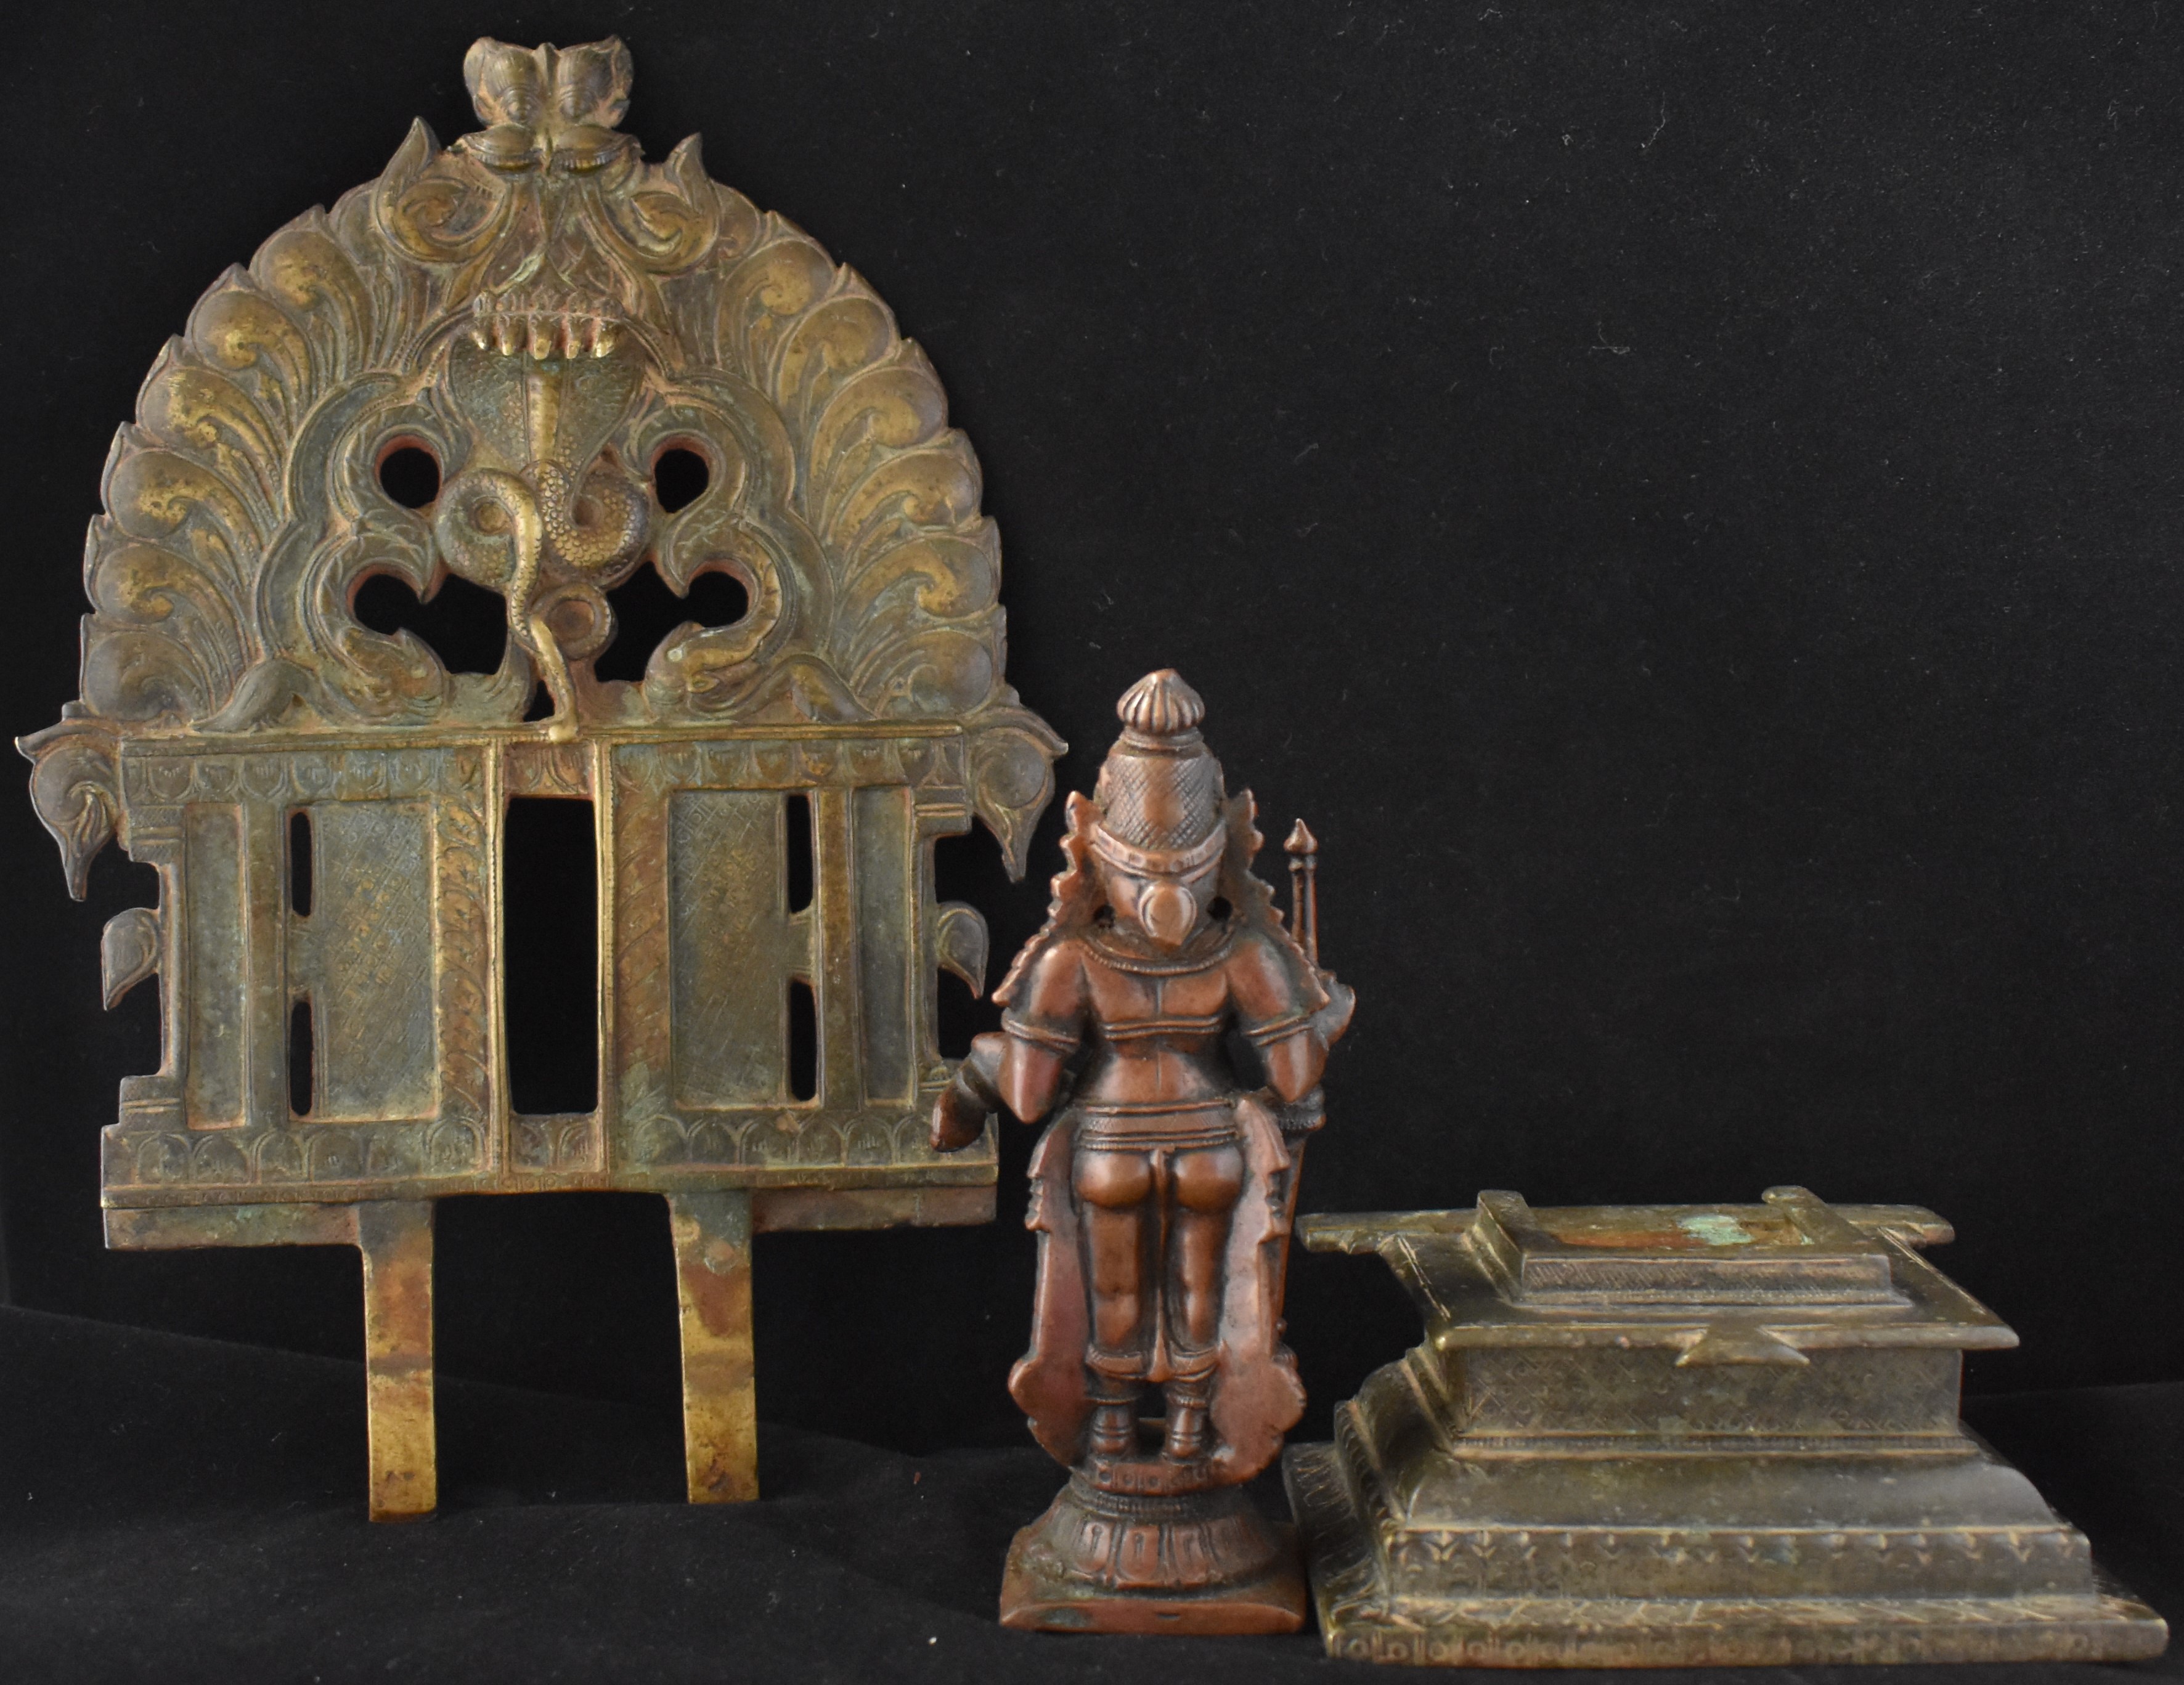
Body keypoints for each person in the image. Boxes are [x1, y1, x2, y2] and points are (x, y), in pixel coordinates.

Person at [932, 670, 1353, 1483]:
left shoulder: (1071, 960)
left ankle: (1115, 1439)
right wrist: (1316, 1013)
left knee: (1114, 1302)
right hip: (1211, 1148)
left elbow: (1028, 1096)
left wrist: (978, 1076)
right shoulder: (1245, 954)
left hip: (1111, 1145)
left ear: (1091, 850)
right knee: (1201, 1301)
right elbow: (1295, 1079)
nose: (1167, 899)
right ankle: (1190, 1438)